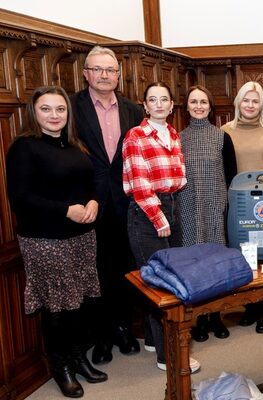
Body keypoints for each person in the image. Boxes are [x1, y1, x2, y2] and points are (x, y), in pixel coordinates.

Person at [6, 86, 108, 398]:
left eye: (60, 109)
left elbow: (89, 182)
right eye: (46, 109)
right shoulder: (25, 147)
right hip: (45, 239)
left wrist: (93, 202)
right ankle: (60, 366)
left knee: (78, 303)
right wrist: (66, 210)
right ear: (34, 113)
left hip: (81, 237)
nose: (54, 115)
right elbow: (21, 197)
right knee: (56, 306)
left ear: (68, 113)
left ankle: (78, 358)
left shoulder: (74, 145)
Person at [70, 45, 143, 364]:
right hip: (89, 203)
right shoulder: (71, 107)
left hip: (127, 202)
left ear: (118, 75)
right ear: (85, 73)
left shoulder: (133, 110)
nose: (104, 75)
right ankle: (99, 337)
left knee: (126, 268)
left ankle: (122, 327)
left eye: (110, 70)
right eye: (97, 69)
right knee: (95, 272)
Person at [122, 82, 199, 373]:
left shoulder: (174, 134)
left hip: (172, 204)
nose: (158, 104)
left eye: (163, 99)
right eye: (152, 99)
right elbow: (140, 185)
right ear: (145, 105)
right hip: (147, 212)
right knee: (160, 285)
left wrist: (171, 213)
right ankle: (169, 357)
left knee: (170, 277)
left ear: (170, 105)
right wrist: (159, 218)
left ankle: (155, 340)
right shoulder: (136, 136)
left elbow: (177, 178)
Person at [222, 81, 263, 333]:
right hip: (238, 203)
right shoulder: (225, 130)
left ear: (261, 105)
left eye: (255, 101)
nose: (250, 105)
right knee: (244, 256)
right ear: (238, 102)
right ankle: (249, 308)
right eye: (246, 100)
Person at [177, 85, 237, 343]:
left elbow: (232, 175)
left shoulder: (222, 137)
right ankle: (199, 319)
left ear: (210, 107)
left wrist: (227, 208)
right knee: (194, 266)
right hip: (188, 208)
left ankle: (216, 316)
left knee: (216, 264)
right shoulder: (177, 138)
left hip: (215, 207)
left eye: (203, 102)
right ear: (187, 106)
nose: (199, 106)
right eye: (194, 102)